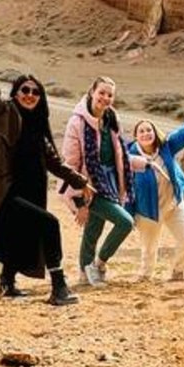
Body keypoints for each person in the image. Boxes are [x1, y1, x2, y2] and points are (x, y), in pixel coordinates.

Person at [0, 13, 92, 305]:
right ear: (16, 92)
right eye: (24, 90)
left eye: (35, 92)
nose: (30, 95)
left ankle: (6, 283)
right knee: (49, 225)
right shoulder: (3, 112)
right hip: (3, 193)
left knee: (19, 236)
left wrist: (82, 181)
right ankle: (59, 287)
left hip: (27, 191)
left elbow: (54, 163)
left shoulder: (37, 127)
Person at [61, 76, 143, 287]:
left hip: (110, 183)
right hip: (88, 186)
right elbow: (70, 165)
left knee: (93, 231)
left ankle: (84, 274)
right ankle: (98, 265)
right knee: (125, 222)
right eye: (102, 93)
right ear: (92, 93)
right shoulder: (77, 122)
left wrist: (145, 163)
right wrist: (80, 202)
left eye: (110, 95)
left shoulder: (112, 119)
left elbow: (120, 156)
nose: (105, 98)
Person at [128, 95, 184, 281]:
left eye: (149, 130)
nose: (146, 133)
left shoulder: (167, 146)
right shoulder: (129, 157)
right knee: (149, 249)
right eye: (141, 131)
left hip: (174, 205)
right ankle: (145, 276)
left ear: (154, 132)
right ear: (136, 136)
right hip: (148, 211)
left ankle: (178, 273)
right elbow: (125, 188)